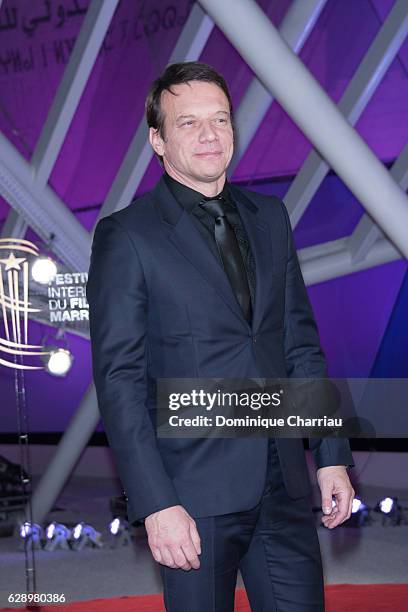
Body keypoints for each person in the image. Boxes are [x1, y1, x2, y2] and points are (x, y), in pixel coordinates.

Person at [87, 61, 354, 611]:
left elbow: (299, 345)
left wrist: (330, 454)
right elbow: (121, 381)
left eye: (220, 120)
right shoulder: (126, 236)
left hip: (284, 483)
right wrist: (156, 502)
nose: (209, 136)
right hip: (191, 494)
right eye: (188, 123)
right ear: (158, 140)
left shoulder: (270, 217)